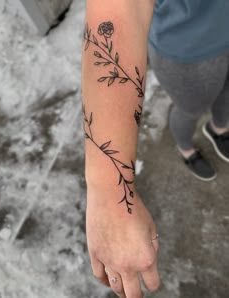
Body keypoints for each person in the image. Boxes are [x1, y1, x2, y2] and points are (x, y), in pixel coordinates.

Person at [82, 1, 229, 297]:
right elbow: (121, 10)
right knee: (190, 109)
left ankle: (219, 129)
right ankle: (187, 149)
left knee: (226, 98)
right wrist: (110, 190)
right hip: (188, 49)